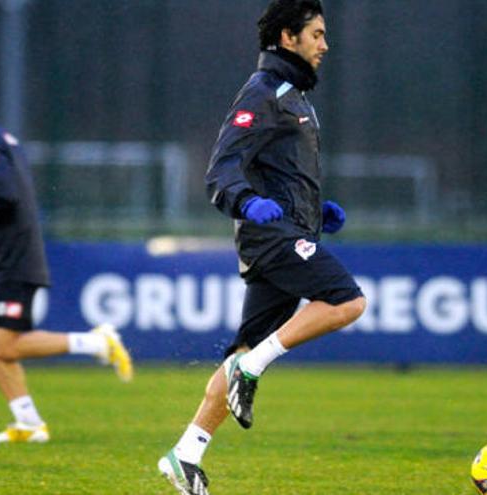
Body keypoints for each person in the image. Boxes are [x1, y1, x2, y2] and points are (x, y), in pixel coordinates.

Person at [157, 2, 366, 493]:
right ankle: (249, 371)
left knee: (242, 351)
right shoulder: (263, 92)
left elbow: (282, 172)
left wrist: (317, 214)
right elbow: (221, 171)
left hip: (290, 231)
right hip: (270, 236)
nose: (325, 45)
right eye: (316, 34)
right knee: (347, 301)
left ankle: (185, 454)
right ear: (288, 38)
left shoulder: (296, 97)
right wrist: (247, 203)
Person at [0, 72, 134, 443]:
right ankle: (28, 423)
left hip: (8, 260)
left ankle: (96, 343)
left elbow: (3, 194)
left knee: (2, 343)